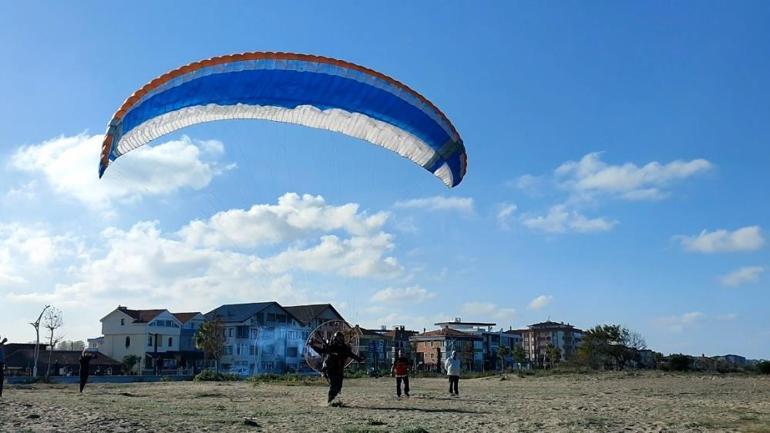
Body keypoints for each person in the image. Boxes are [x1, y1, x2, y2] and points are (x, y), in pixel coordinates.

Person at [309, 331, 364, 404]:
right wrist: (312, 346)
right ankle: (329, 402)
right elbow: (322, 351)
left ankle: (334, 400)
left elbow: (351, 355)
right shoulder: (331, 346)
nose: (341, 339)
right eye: (339, 338)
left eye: (341, 337)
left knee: (339, 386)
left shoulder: (345, 348)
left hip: (339, 369)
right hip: (330, 368)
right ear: (336, 338)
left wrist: (359, 359)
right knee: (334, 384)